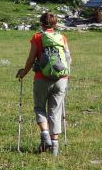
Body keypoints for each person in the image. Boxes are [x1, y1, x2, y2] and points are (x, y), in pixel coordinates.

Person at [15, 12, 71, 154]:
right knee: (55, 112)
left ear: (41, 23)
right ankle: (55, 149)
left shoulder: (37, 37)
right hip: (61, 80)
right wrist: (66, 75)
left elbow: (31, 59)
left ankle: (45, 134)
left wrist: (24, 72)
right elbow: (69, 58)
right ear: (56, 24)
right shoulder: (62, 38)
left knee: (40, 108)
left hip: (41, 78)